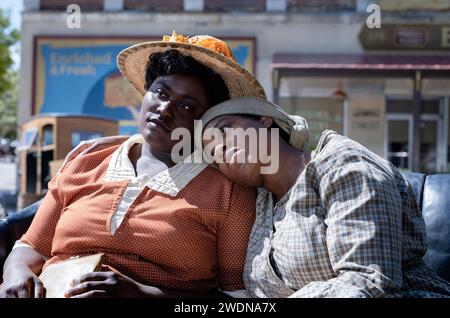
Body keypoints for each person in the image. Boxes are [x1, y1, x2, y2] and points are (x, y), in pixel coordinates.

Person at [0, 32, 266, 298]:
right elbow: (29, 247)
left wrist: (143, 294)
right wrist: (16, 273)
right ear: (146, 93)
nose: (164, 109)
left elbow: (235, 300)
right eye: (161, 93)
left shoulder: (230, 193)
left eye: (186, 106)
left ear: (206, 122)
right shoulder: (85, 163)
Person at [199, 96, 450, 298]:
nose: (220, 148)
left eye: (225, 130)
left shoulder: (341, 163)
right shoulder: (261, 205)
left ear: (265, 119)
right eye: (213, 153)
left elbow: (367, 280)